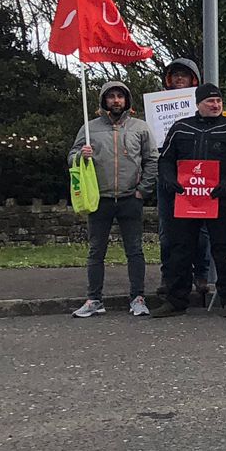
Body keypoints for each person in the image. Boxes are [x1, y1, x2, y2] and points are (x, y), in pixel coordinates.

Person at [155, 83, 226, 315]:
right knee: (180, 249)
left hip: (223, 199)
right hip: (187, 199)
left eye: (218, 100)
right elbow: (165, 159)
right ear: (198, 103)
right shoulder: (181, 127)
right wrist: (169, 179)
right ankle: (176, 300)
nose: (215, 105)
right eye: (210, 101)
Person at [70, 81, 157, 318]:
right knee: (96, 251)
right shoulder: (90, 128)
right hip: (99, 199)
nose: (116, 100)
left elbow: (152, 159)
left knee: (135, 251)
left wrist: (143, 190)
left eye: (120, 96)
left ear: (127, 100)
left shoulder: (140, 127)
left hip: (130, 198)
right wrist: (80, 155)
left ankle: (137, 298)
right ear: (104, 101)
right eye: (111, 96)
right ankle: (94, 300)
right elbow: (71, 157)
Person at [153, 55, 212, 300]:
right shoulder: (156, 105)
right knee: (168, 232)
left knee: (201, 232)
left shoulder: (205, 106)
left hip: (199, 177)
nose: (179, 78)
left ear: (193, 79)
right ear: (169, 79)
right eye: (175, 74)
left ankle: (201, 275)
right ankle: (170, 276)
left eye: (184, 75)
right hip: (168, 177)